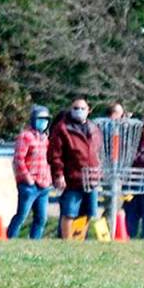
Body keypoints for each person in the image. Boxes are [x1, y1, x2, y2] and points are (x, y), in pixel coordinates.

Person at [48, 97, 102, 239]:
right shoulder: (62, 128)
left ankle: (79, 237)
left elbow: (99, 152)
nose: (79, 111)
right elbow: (55, 155)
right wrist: (59, 175)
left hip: (91, 178)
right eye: (75, 108)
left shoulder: (94, 128)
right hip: (72, 178)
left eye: (82, 108)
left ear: (89, 111)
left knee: (88, 212)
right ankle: (67, 240)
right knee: (69, 212)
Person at [7, 104, 53, 239]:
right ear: (33, 119)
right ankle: (9, 240)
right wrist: (28, 178)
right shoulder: (25, 136)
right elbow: (18, 159)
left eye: (46, 119)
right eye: (40, 118)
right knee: (21, 215)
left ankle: (34, 243)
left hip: (44, 185)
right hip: (29, 185)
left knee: (41, 219)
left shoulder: (46, 138)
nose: (43, 121)